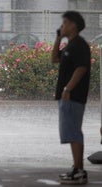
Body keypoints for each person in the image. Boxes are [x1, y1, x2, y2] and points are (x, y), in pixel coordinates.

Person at [51, 11, 91, 185]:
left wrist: (68, 89)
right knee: (72, 132)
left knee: (74, 133)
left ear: (74, 25)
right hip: (67, 96)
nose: (62, 26)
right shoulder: (70, 45)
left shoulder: (80, 45)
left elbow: (81, 68)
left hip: (73, 96)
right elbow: (54, 59)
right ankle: (77, 169)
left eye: (65, 23)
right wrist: (59, 38)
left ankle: (79, 171)